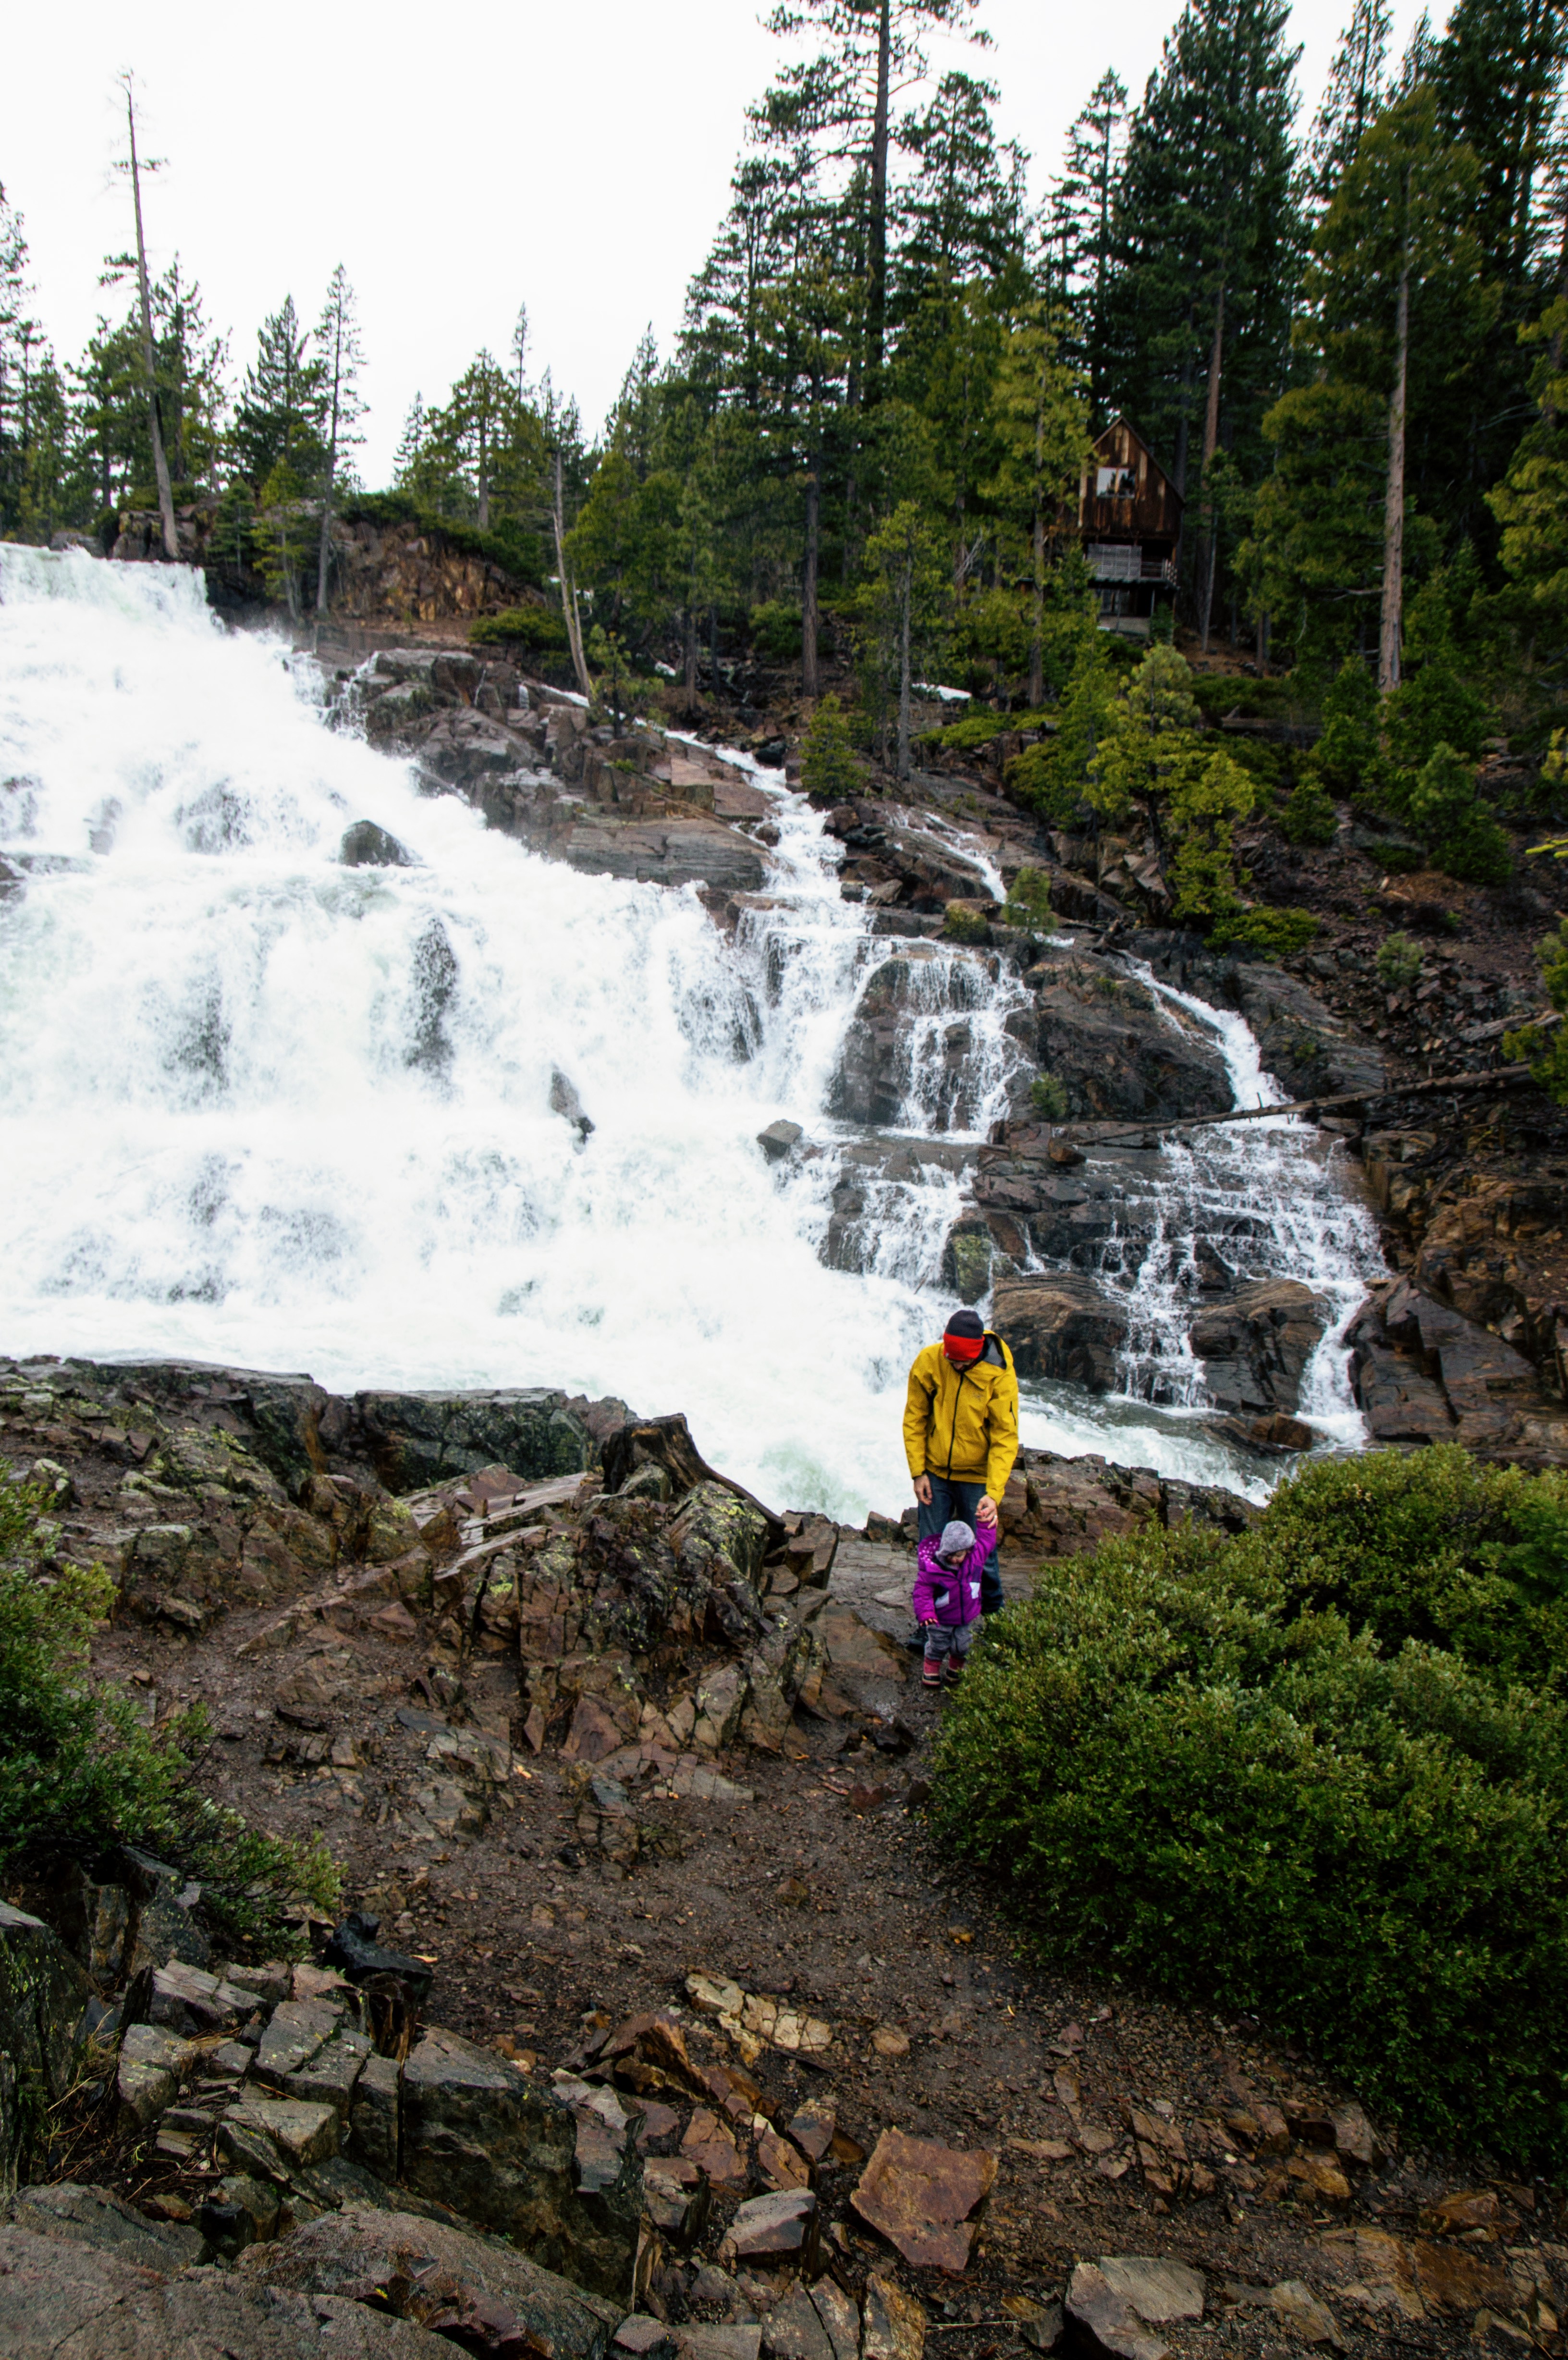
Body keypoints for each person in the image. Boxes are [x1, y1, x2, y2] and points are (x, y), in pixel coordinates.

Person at [902, 1308, 1018, 1615]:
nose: (954, 1364)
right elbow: (915, 1417)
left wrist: (994, 1494)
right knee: (931, 1549)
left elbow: (1005, 1436)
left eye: (960, 1361)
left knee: (983, 1553)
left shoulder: (999, 1373)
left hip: (977, 1477)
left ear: (977, 1351)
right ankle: (929, 1623)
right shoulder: (930, 1361)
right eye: (950, 1357)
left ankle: (995, 1615)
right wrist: (918, 1472)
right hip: (935, 1473)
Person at [911, 1515, 996, 1690]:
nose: (955, 1559)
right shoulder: (933, 1569)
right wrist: (926, 1613)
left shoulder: (975, 1559)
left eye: (959, 1555)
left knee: (963, 1645)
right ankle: (931, 1668)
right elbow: (922, 1592)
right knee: (938, 1644)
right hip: (941, 1618)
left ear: (968, 1550)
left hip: (966, 1616)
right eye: (950, 1555)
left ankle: (955, 1669)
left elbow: (987, 1542)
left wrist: (986, 1523)